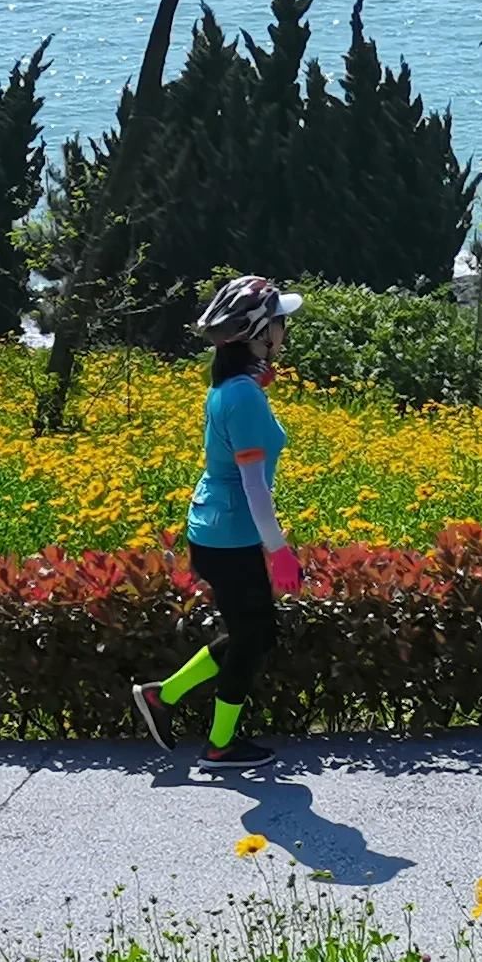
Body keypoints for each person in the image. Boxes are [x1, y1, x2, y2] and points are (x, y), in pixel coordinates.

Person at [133, 274, 301, 771]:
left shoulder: (232, 386)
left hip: (219, 529)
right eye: (280, 323)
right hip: (232, 533)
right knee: (253, 637)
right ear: (260, 332)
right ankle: (218, 745)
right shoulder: (243, 395)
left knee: (253, 633)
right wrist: (280, 550)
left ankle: (164, 696)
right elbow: (253, 485)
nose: (285, 331)